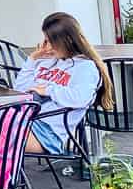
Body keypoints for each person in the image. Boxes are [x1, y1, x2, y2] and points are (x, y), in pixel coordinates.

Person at [14, 12, 113, 159]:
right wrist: (33, 59)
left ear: (66, 40)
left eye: (50, 41)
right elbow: (19, 90)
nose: (46, 46)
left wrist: (47, 90)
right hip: (25, 122)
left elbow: (81, 98)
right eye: (45, 40)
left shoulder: (85, 67)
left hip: (46, 134)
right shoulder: (47, 61)